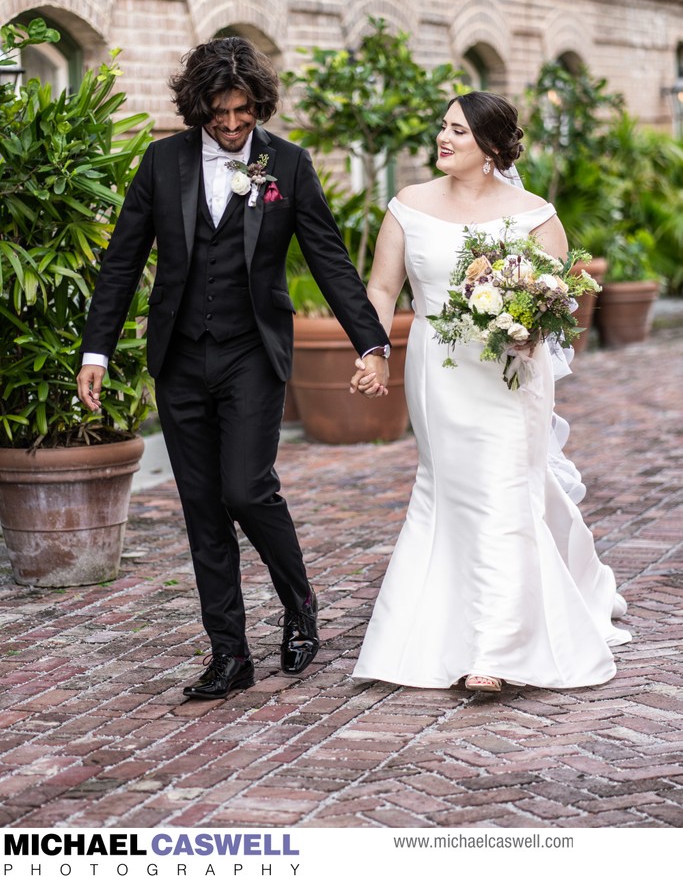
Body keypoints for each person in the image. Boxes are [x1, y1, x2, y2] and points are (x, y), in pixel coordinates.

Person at [76, 36, 390, 700]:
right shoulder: (162, 163)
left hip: (252, 352)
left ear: (259, 104)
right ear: (197, 108)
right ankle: (229, 653)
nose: (231, 125)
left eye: (242, 112)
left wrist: (370, 343)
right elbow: (122, 262)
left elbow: (330, 260)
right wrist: (96, 350)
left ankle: (299, 605)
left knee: (246, 489)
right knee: (201, 507)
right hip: (181, 357)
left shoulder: (289, 165)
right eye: (218, 114)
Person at [350, 91, 631, 693]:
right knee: (449, 490)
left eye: (457, 131)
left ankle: (499, 650)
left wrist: (531, 329)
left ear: (492, 148)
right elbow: (380, 289)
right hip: (438, 370)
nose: (443, 139)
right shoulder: (409, 204)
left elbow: (560, 297)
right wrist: (374, 351)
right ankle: (434, 631)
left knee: (506, 490)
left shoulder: (533, 213)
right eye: (442, 128)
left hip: (510, 374)